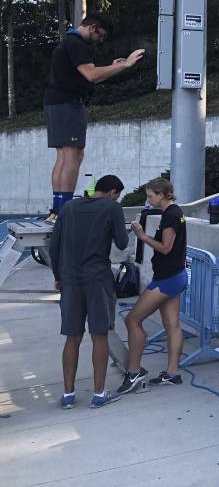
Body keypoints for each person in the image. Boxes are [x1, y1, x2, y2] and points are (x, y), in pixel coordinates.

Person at [44, 13, 144, 222]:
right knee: (73, 155)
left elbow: (89, 77)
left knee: (64, 156)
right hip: (69, 104)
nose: (100, 40)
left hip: (56, 103)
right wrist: (125, 65)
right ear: (93, 27)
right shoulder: (77, 44)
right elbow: (92, 74)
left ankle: (57, 210)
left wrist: (114, 66)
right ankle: (63, 211)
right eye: (101, 35)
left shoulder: (67, 43)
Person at [49, 174, 130, 409]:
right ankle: (98, 394)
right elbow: (123, 243)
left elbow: (54, 246)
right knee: (99, 335)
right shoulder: (112, 207)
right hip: (98, 280)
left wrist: (58, 277)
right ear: (114, 192)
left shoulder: (69, 207)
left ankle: (67, 395)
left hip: (70, 280)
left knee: (72, 337)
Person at [119, 178, 189, 393]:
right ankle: (173, 373)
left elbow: (165, 248)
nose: (148, 200)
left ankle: (134, 371)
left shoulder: (170, 216)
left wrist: (141, 236)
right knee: (172, 324)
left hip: (167, 278)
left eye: (150, 196)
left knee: (133, 319)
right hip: (174, 275)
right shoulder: (175, 212)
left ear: (162, 194)